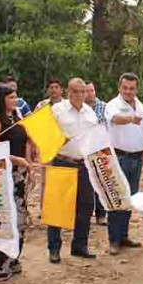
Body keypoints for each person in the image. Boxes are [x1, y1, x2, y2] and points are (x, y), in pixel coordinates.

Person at [47, 78, 99, 263]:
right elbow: (47, 135)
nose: (79, 95)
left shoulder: (90, 113)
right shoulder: (57, 110)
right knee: (58, 208)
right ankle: (54, 248)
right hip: (63, 161)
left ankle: (80, 245)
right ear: (68, 92)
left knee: (86, 206)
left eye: (83, 91)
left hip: (84, 164)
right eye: (75, 91)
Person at [0, 84, 31, 281]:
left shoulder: (17, 117)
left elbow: (25, 142)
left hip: (20, 174)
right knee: (3, 219)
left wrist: (27, 165)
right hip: (3, 174)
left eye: (16, 96)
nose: (15, 100)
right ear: (1, 99)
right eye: (11, 97)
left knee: (19, 219)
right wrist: (14, 159)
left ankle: (12, 258)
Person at [104, 73, 143, 255]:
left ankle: (123, 235)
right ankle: (114, 239)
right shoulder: (112, 105)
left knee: (130, 199)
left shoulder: (140, 104)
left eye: (132, 88)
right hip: (119, 157)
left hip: (137, 158)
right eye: (125, 88)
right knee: (117, 199)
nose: (128, 91)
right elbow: (115, 119)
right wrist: (130, 119)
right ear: (119, 87)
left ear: (136, 88)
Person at [85, 81, 108, 225]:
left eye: (92, 90)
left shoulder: (105, 107)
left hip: (101, 149)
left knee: (102, 182)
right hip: (84, 150)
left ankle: (101, 214)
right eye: (87, 91)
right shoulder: (80, 109)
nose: (90, 94)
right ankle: (86, 214)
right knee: (87, 184)